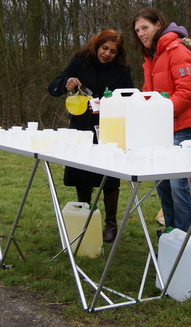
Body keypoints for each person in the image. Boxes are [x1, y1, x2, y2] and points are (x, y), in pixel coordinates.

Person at [48, 29, 134, 243]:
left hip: (109, 127)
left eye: (113, 51)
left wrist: (113, 103)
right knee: (82, 172)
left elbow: (131, 97)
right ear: (96, 45)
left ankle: (110, 225)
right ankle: (85, 218)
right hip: (81, 127)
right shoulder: (80, 61)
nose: (107, 54)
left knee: (110, 175)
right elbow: (53, 87)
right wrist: (66, 83)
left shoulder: (123, 70)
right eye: (105, 48)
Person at [131, 7, 191, 238]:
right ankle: (171, 231)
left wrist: (158, 113)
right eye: (137, 30)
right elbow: (148, 93)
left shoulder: (177, 51)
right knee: (162, 183)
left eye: (145, 27)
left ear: (158, 25)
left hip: (184, 125)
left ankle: (184, 239)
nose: (141, 33)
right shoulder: (150, 56)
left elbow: (187, 91)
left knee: (178, 184)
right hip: (161, 128)